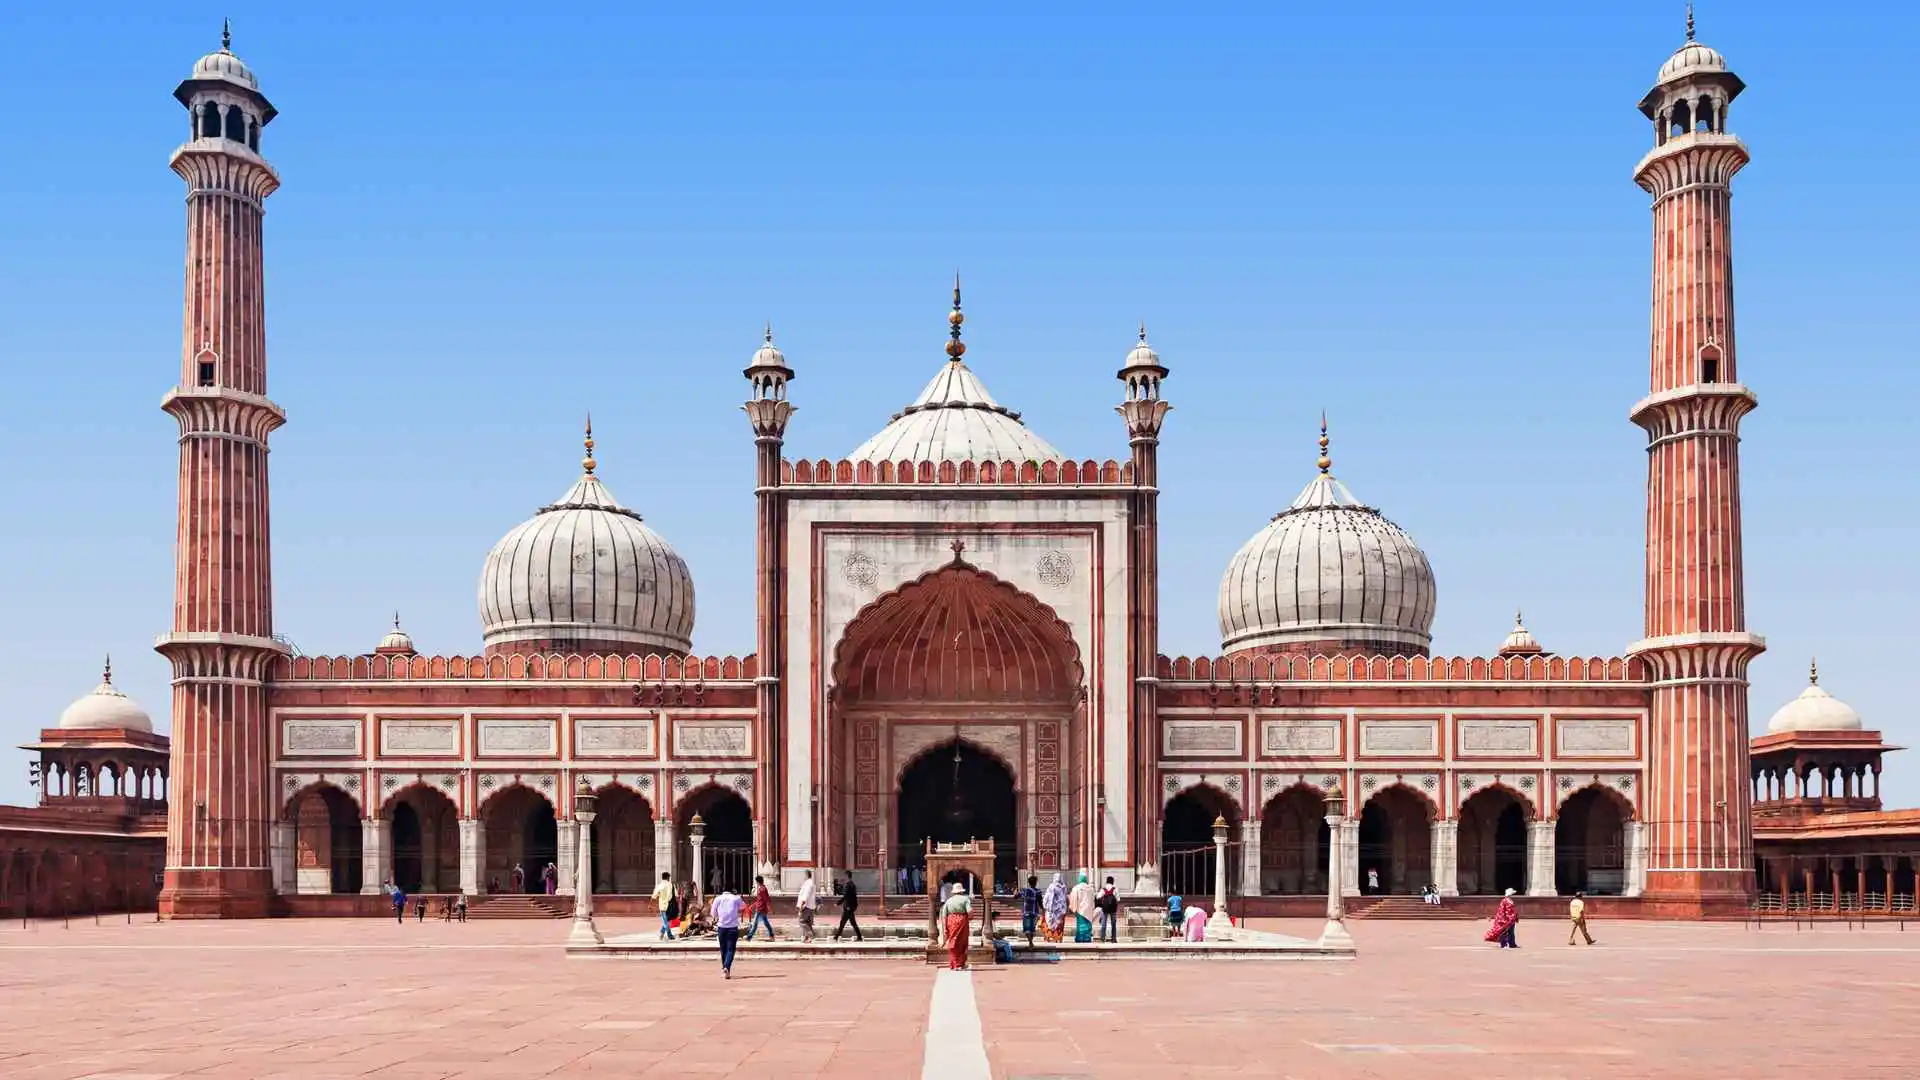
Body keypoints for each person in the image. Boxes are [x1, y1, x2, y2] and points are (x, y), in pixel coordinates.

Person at [709, 885, 747, 979]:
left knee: (723, 949)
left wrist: (719, 915)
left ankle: (725, 969)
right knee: (731, 949)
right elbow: (743, 906)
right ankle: (726, 967)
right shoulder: (735, 898)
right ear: (732, 890)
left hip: (721, 926)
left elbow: (713, 913)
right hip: (733, 927)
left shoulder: (718, 899)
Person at [941, 882, 974, 970]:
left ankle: (954, 964)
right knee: (962, 943)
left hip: (950, 920)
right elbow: (970, 911)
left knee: (952, 942)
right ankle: (961, 964)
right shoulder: (965, 899)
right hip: (962, 920)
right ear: (961, 891)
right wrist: (970, 918)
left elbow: (944, 914)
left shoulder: (949, 900)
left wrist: (945, 927)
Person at [744, 875, 776, 941]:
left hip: (761, 909)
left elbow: (766, 900)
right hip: (761, 908)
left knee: (755, 923)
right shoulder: (762, 888)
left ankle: (749, 937)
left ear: (758, 882)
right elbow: (759, 900)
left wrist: (770, 909)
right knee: (766, 923)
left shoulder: (762, 889)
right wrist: (752, 905)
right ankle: (771, 936)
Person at [1040, 873, 1069, 943]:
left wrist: (1045, 906)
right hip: (1060, 911)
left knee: (1048, 923)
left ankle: (1048, 938)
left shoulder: (1051, 887)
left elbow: (1046, 898)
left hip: (1051, 910)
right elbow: (1065, 899)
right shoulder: (1064, 888)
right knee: (1060, 925)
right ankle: (1059, 939)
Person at [1068, 873, 1096, 943]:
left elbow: (1074, 898)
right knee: (1088, 924)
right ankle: (1087, 938)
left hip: (1080, 910)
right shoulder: (1090, 888)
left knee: (1080, 924)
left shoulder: (1076, 888)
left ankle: (1080, 938)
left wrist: (1073, 907)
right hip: (1089, 910)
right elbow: (1093, 899)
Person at [835, 875, 863, 942]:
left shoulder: (848, 885)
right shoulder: (853, 884)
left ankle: (836, 937)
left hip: (848, 907)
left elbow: (845, 896)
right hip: (851, 907)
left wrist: (838, 903)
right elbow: (853, 897)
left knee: (842, 922)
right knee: (853, 922)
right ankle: (859, 937)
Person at [1016, 875, 1042, 946]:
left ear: (1028, 882)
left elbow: (1015, 897)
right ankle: (1031, 943)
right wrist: (1043, 909)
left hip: (1026, 912)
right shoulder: (1038, 891)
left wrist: (1016, 892)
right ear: (1036, 883)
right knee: (1032, 929)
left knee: (1027, 929)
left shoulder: (1025, 890)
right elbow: (1040, 902)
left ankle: (1030, 942)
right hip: (1035, 912)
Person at [651, 872, 677, 940]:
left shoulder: (659, 886)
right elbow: (674, 895)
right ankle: (666, 934)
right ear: (668, 877)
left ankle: (666, 934)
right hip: (670, 905)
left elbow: (654, 896)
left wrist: (650, 904)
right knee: (666, 921)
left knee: (665, 920)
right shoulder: (671, 885)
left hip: (662, 906)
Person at [1095, 876, 1120, 943]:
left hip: (1105, 908)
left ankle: (1103, 938)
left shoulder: (1103, 889)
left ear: (1107, 881)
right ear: (1112, 881)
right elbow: (1118, 899)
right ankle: (1113, 938)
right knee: (1113, 923)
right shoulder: (1115, 889)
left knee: (1104, 923)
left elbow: (1098, 897)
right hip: (1113, 908)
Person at [796, 872, 818, 943]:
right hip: (811, 906)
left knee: (801, 921)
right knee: (808, 923)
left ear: (806, 875)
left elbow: (806, 896)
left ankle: (811, 936)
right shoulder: (812, 883)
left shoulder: (807, 884)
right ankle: (807, 938)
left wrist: (801, 906)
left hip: (806, 906)